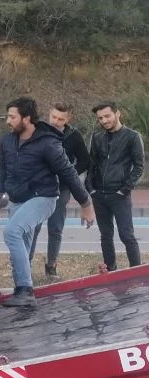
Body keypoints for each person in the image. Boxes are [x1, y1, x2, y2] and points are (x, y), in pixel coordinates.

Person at [0, 97, 95, 307]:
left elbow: (68, 173)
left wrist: (86, 204)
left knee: (11, 232)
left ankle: (25, 291)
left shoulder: (48, 142)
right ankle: (22, 294)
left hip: (43, 197)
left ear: (26, 118)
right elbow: (3, 172)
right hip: (18, 200)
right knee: (21, 247)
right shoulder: (7, 141)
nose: (8, 121)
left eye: (12, 117)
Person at [28, 103, 90, 279]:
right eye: (53, 117)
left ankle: (51, 266)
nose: (56, 121)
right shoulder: (38, 131)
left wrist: (68, 174)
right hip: (39, 188)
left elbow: (85, 161)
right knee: (33, 227)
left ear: (68, 119)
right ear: (49, 115)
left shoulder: (74, 136)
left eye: (61, 119)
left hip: (61, 189)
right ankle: (26, 264)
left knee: (56, 229)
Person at [85, 101, 145, 271]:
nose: (104, 120)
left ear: (117, 113)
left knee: (127, 235)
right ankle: (110, 271)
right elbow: (92, 164)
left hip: (119, 195)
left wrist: (125, 189)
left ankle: (136, 273)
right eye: (100, 118)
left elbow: (139, 166)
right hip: (99, 194)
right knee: (105, 236)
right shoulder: (97, 137)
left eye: (107, 116)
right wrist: (90, 188)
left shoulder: (133, 137)